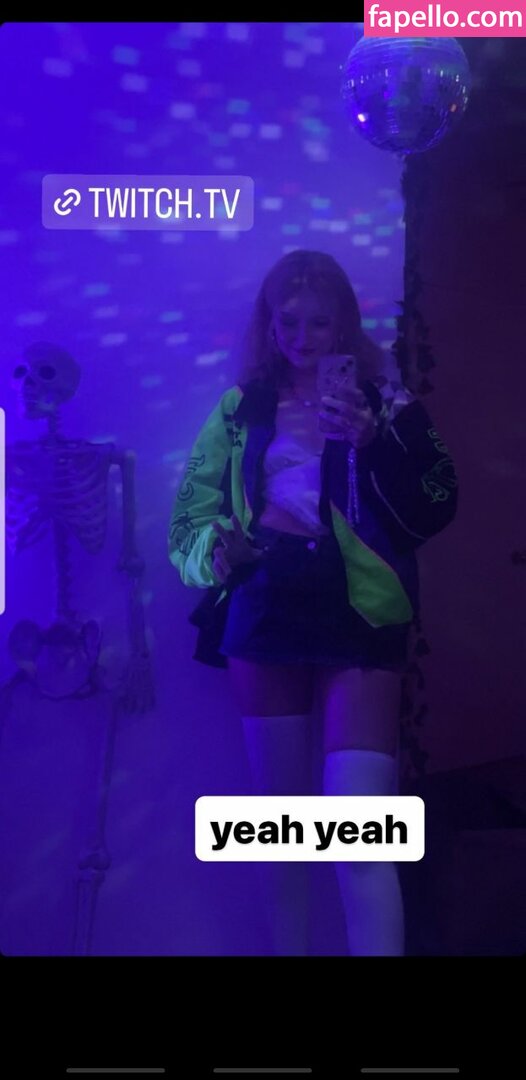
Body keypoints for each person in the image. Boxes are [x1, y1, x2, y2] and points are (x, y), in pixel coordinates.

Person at [168, 249, 458, 956]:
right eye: (288, 321)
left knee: (361, 834)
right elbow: (189, 519)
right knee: (278, 834)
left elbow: (439, 497)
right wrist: (218, 553)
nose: (303, 337)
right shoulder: (241, 408)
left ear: (344, 325)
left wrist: (373, 440)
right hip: (266, 604)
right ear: (269, 323)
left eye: (319, 322)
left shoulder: (386, 399)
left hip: (362, 611)